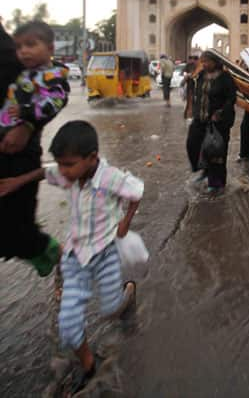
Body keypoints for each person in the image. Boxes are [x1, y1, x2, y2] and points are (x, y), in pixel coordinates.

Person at [0, 120, 144, 394]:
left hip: (107, 254)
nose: (63, 172)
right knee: (68, 325)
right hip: (76, 257)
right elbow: (46, 172)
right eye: (61, 164)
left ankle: (127, 297)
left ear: (92, 158)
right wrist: (17, 182)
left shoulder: (111, 178)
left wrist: (126, 220)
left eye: (68, 164)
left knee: (110, 308)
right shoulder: (69, 172)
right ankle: (91, 366)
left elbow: (137, 192)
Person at [0, 20, 69, 276]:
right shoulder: (23, 72)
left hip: (18, 152)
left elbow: (55, 99)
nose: (24, 52)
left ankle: (60, 259)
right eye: (20, 47)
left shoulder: (49, 75)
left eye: (31, 45)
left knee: (18, 227)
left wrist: (27, 120)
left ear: (50, 48)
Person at [186, 51, 236, 194]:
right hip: (201, 119)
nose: (204, 64)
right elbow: (197, 93)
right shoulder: (201, 76)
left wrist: (220, 112)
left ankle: (217, 184)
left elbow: (231, 98)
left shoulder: (225, 78)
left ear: (215, 62)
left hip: (218, 122)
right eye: (203, 61)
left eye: (207, 61)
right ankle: (204, 170)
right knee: (193, 143)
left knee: (216, 152)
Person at [182, 55, 199, 119]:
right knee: (189, 100)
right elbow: (184, 73)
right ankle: (188, 114)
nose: (191, 61)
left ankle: (191, 114)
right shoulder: (188, 65)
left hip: (195, 85)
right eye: (190, 60)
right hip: (190, 85)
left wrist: (191, 75)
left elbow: (196, 74)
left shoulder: (198, 66)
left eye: (193, 60)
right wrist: (187, 75)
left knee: (193, 100)